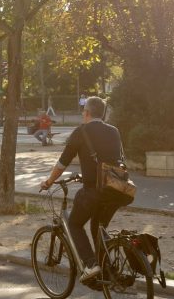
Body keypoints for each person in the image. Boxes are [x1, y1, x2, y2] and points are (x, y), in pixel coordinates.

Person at [40, 96, 127, 283]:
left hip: (93, 192)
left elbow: (62, 163)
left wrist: (48, 181)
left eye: (83, 111)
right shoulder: (114, 131)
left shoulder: (81, 132)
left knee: (74, 224)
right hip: (116, 190)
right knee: (98, 228)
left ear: (86, 113)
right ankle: (107, 270)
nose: (82, 114)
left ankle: (90, 264)